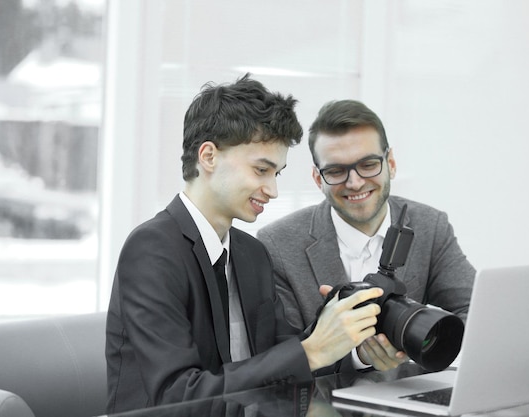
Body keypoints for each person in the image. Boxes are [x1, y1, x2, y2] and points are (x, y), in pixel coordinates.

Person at [105, 76, 390, 413]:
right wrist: (311, 351)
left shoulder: (250, 253)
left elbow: (283, 358)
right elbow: (177, 396)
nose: (272, 190)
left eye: (277, 173)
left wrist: (350, 345)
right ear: (208, 156)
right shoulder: (152, 249)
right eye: (261, 170)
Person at [257, 99, 475, 358]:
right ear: (318, 179)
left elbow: (477, 313)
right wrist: (357, 358)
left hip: (406, 391)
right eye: (336, 171)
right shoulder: (278, 244)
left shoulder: (430, 226)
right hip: (322, 397)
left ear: (390, 163)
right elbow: (280, 357)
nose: (355, 182)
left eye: (369, 164)